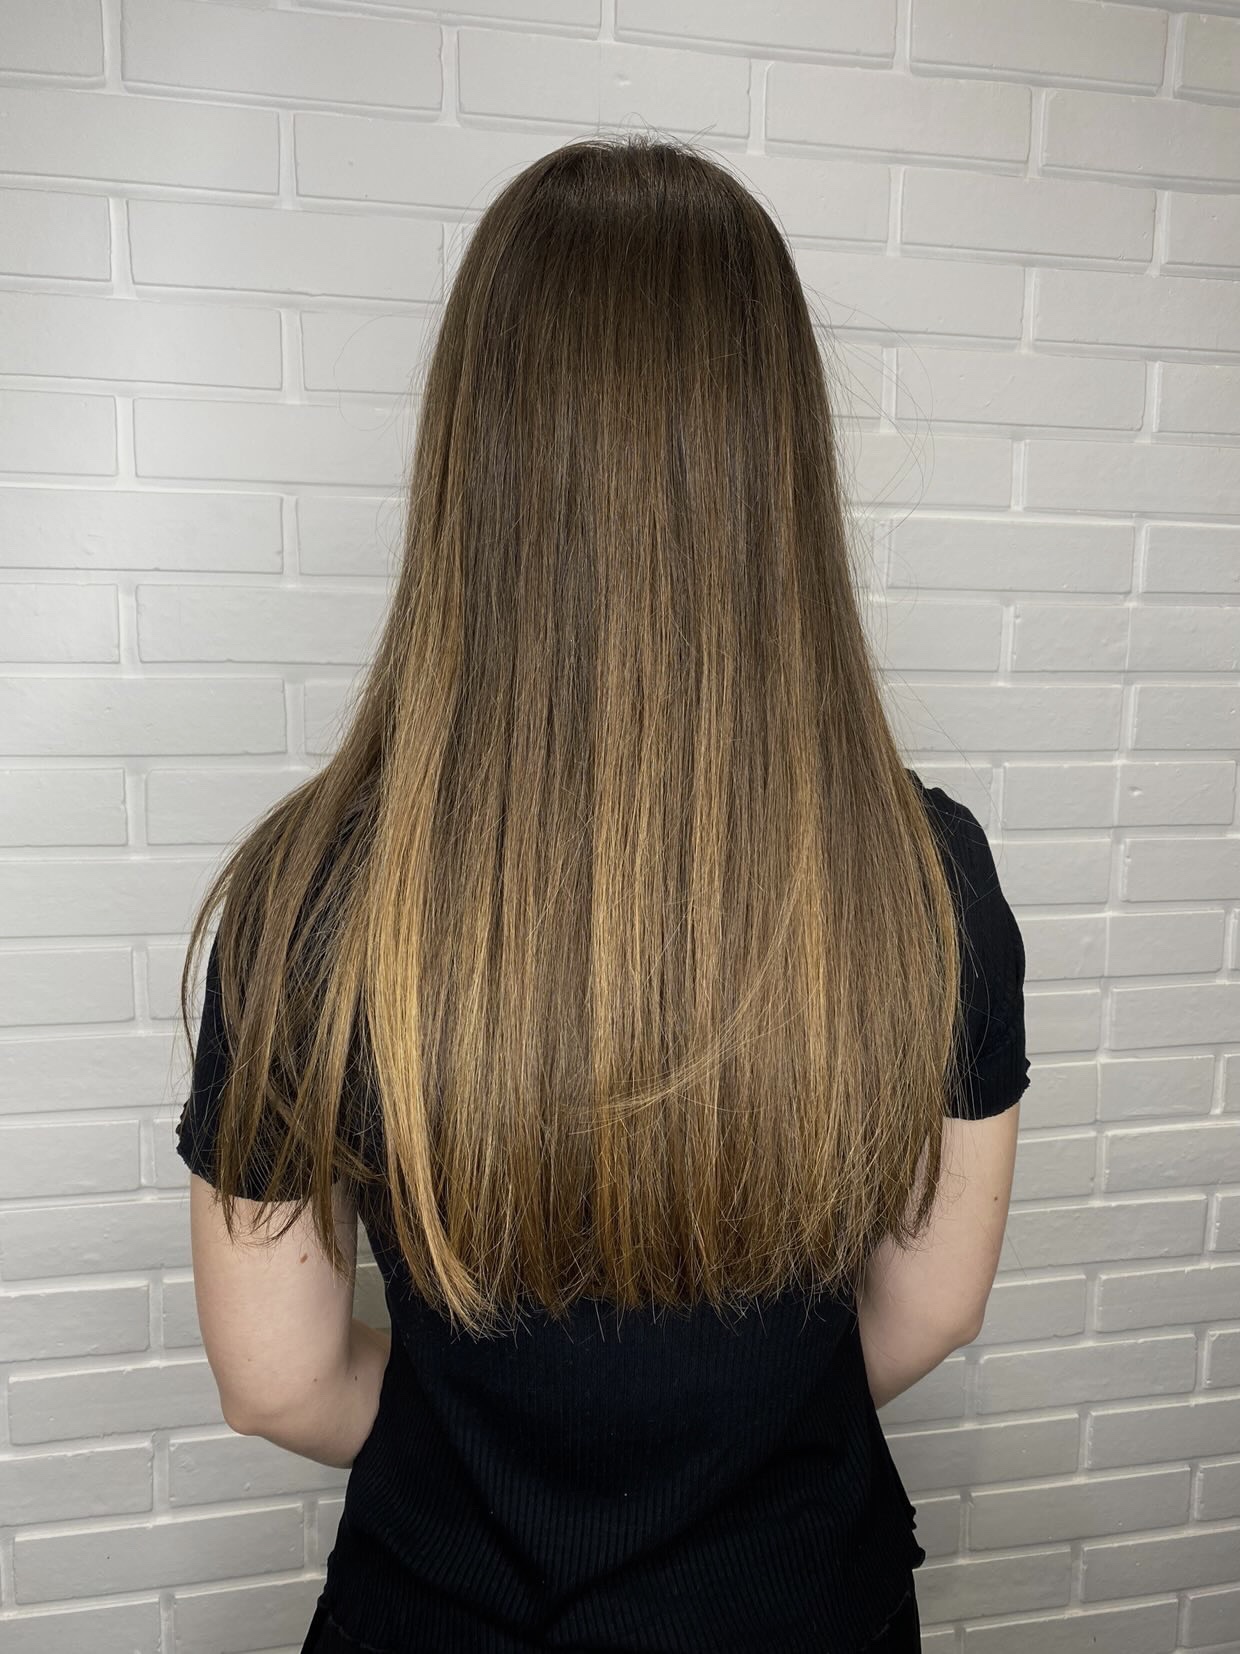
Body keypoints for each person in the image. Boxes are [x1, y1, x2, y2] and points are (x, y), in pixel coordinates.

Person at [174, 134, 1030, 1654]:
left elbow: (278, 1381)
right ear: (777, 458)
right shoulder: (925, 874)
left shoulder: (309, 895)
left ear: (475, 449)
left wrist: (475, 1455)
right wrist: (728, 1461)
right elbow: (932, 1307)